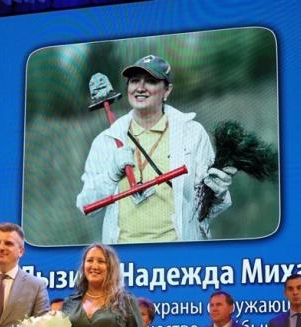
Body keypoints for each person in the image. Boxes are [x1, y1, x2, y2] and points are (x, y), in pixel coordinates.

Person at [77, 54, 235, 244]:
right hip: (123, 259)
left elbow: (209, 209)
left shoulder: (192, 133)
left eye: (151, 81)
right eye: (134, 81)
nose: (140, 88)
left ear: (167, 91)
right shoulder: (105, 141)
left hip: (177, 255)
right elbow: (86, 207)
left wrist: (218, 192)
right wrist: (111, 174)